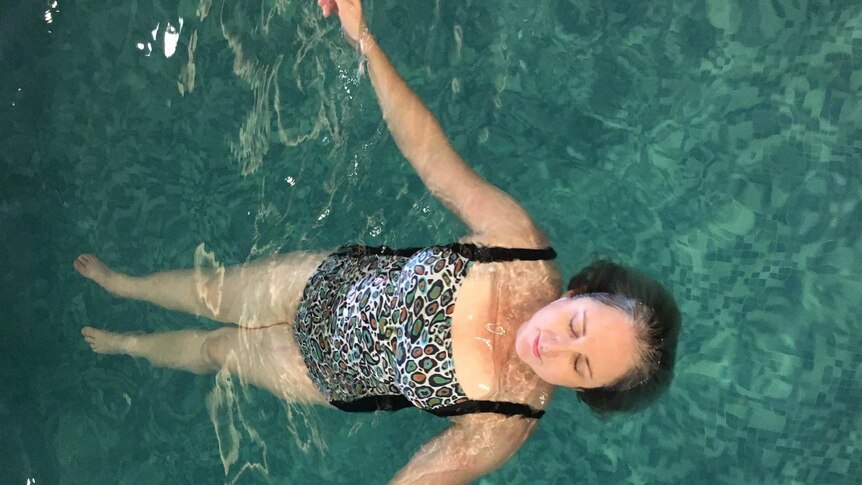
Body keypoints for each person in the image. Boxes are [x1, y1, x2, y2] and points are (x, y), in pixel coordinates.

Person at [74, 0, 681, 482]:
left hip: (322, 374)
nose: (554, 347)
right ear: (577, 290)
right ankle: (124, 284)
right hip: (325, 281)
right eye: (576, 324)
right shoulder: (516, 248)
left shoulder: (504, 422)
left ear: (583, 391)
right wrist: (365, 41)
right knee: (215, 292)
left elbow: (419, 481)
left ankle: (131, 344)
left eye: (580, 366)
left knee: (217, 354)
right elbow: (430, 155)